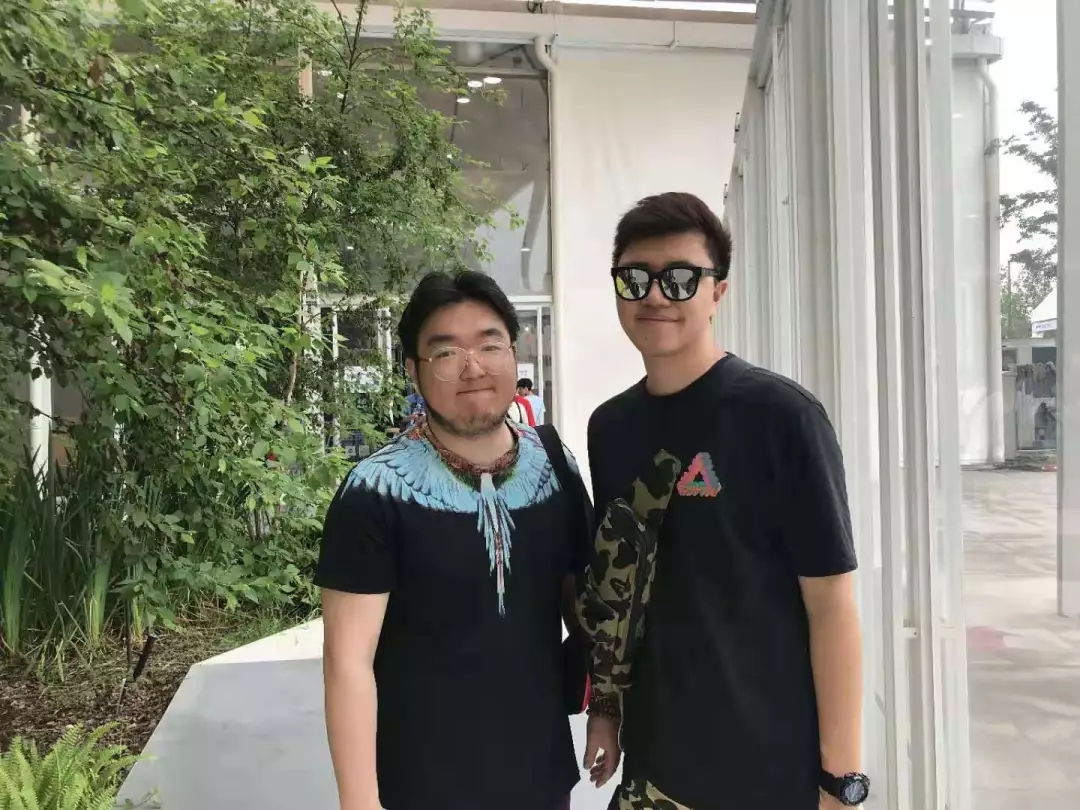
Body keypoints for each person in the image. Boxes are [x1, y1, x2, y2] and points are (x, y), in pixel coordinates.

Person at [583, 192, 868, 809]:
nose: (656, 295)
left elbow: (832, 605)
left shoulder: (781, 416)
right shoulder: (610, 428)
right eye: (635, 278)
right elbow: (618, 591)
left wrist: (840, 782)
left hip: (763, 771)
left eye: (681, 278)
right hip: (653, 768)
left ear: (718, 292)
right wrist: (606, 708)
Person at [317, 270, 589, 810]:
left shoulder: (555, 464)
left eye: (490, 345)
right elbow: (347, 661)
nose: (472, 367)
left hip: (541, 776)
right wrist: (359, 799)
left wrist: (604, 710)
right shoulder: (375, 490)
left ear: (513, 354)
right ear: (413, 369)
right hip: (421, 784)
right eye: (445, 353)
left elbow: (583, 610)